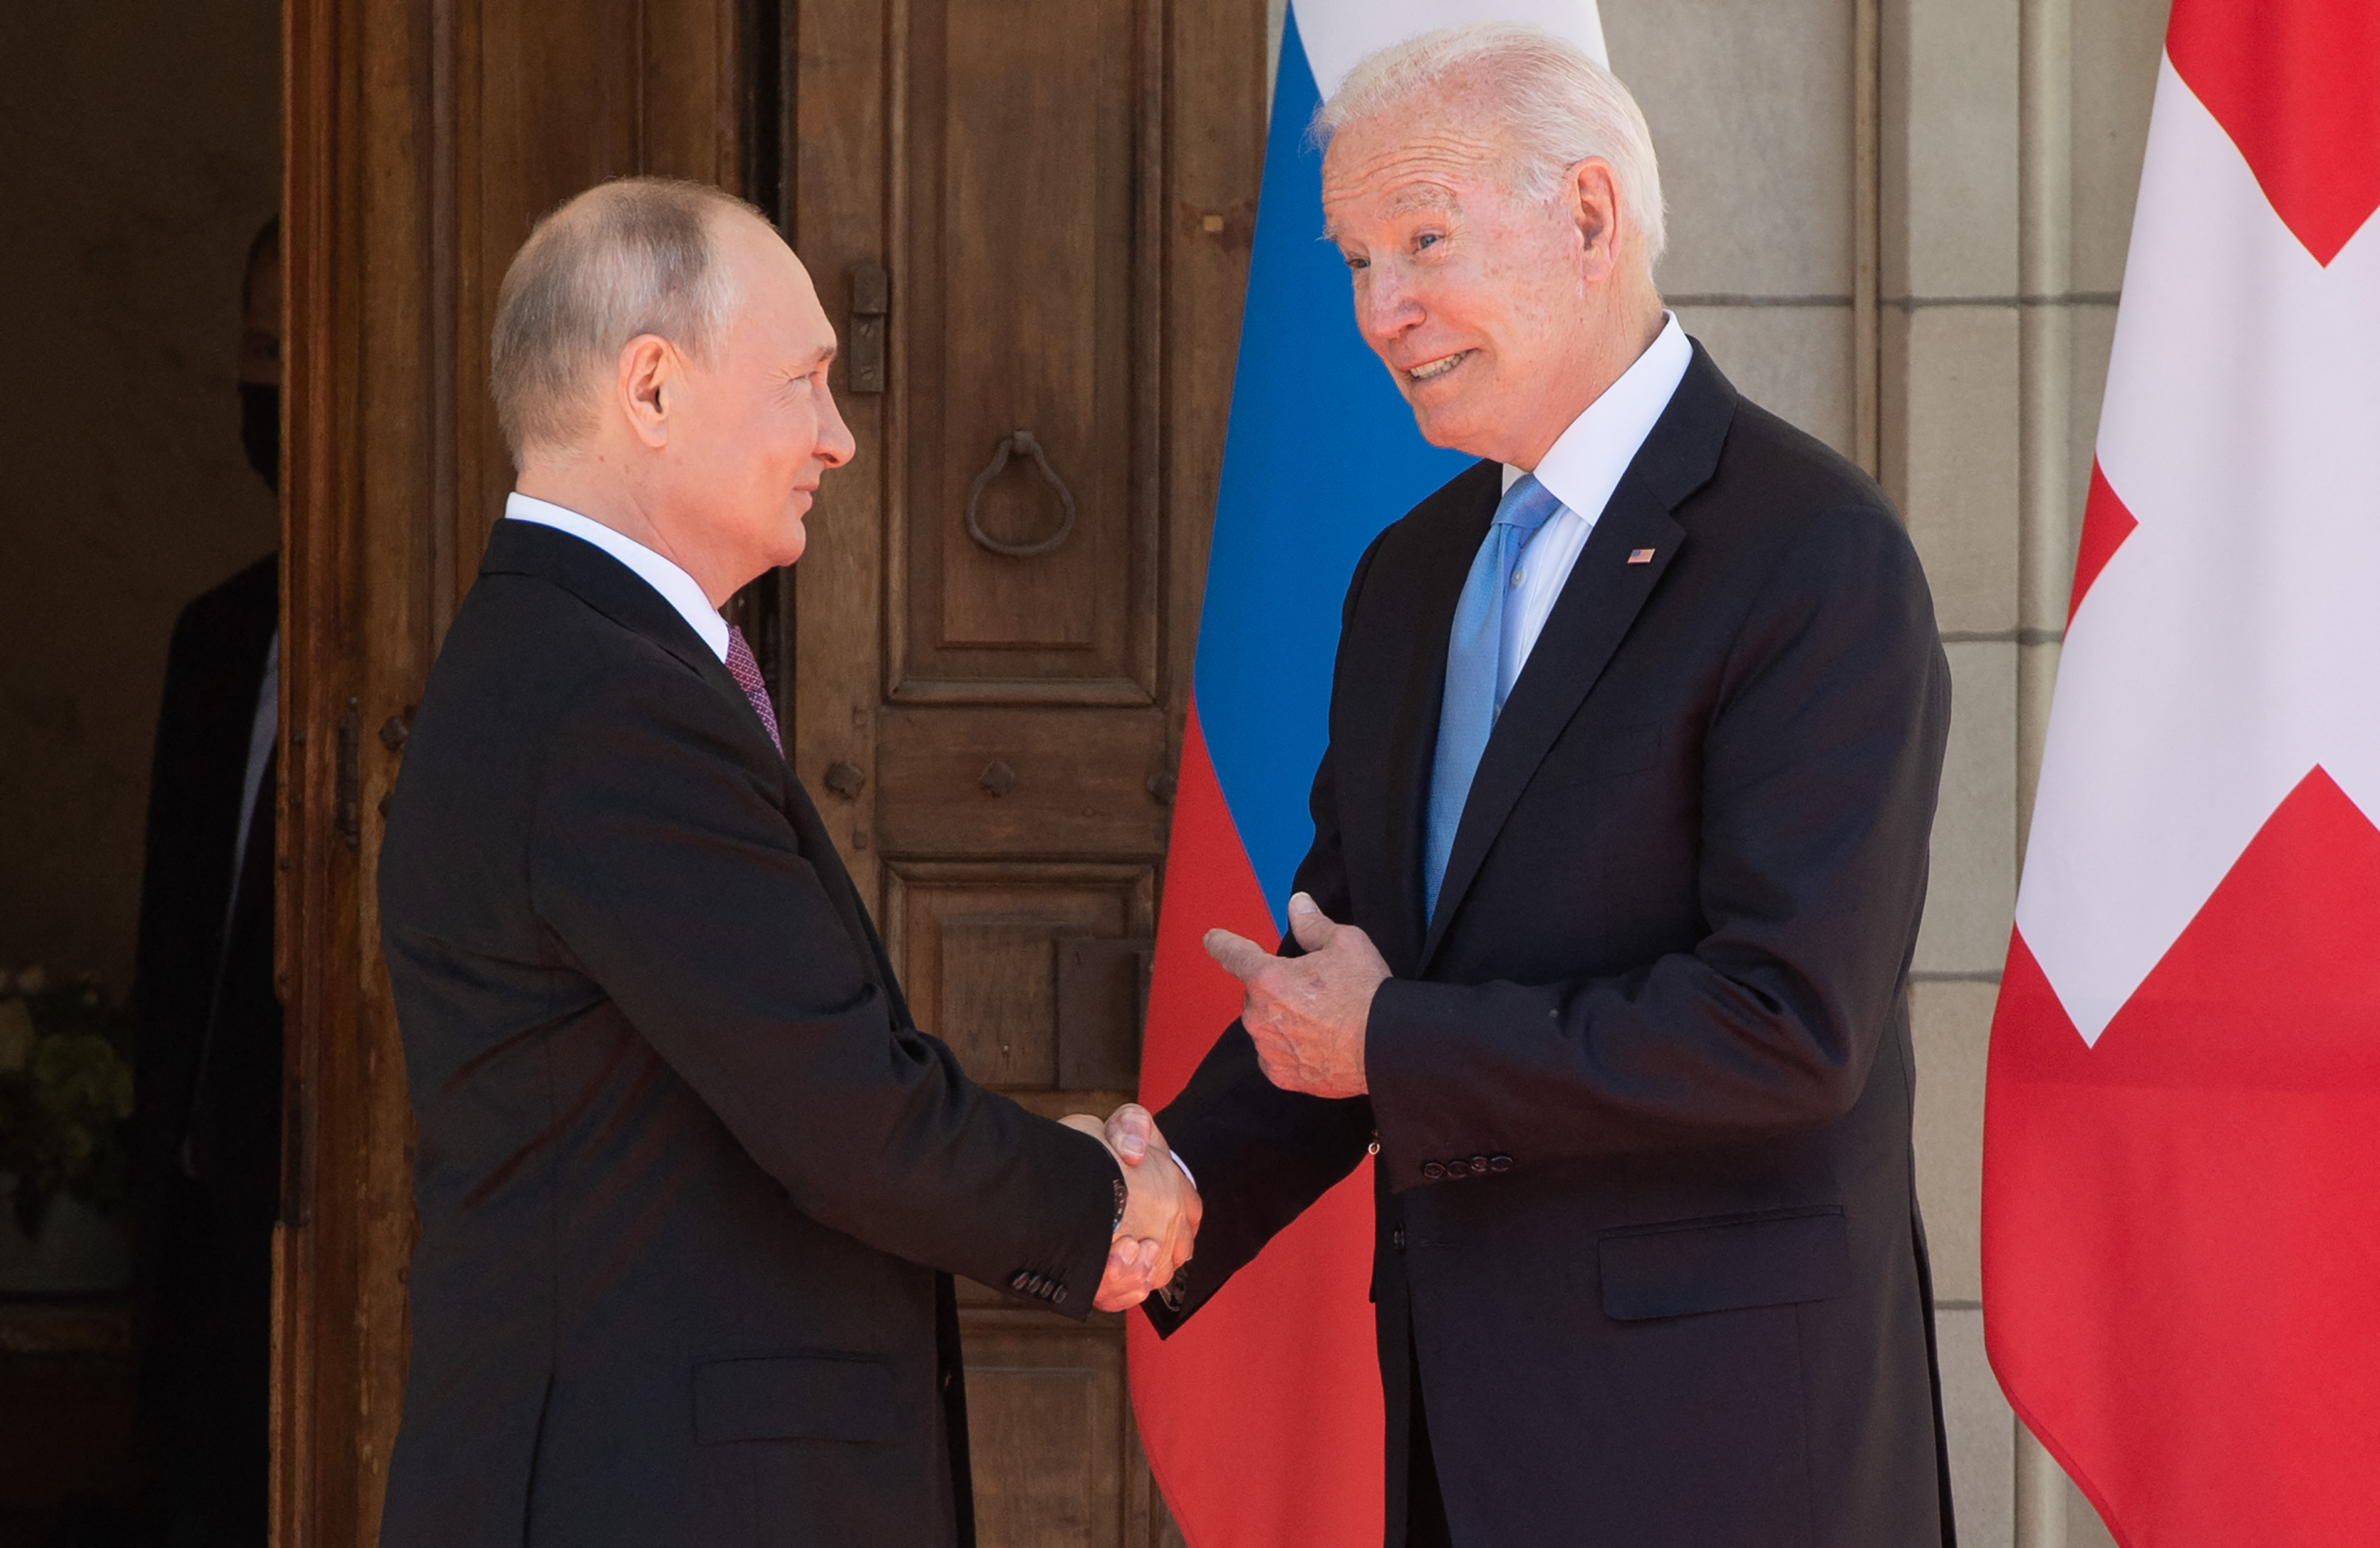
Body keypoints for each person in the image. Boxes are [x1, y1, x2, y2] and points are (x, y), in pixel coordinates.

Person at [1127, 25, 1956, 1547]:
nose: (1384, 311)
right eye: (1358, 261)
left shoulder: (1810, 554)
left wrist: (1392, 1035)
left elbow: (1790, 1030)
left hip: (1726, 1457)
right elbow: (1348, 986)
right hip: (1461, 1435)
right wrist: (1168, 1184)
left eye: (1425, 241)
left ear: (1589, 216)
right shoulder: (1408, 573)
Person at [373, 179, 1196, 1546]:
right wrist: (1106, 1202)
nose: (840, 437)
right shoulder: (604, 700)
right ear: (652, 389)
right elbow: (844, 1120)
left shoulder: (578, 663)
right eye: (805, 381)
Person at [129, 211, 283, 1547]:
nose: (275, 383)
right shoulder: (220, 637)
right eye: (256, 347)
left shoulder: (463, 647)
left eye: (301, 351)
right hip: (206, 1218)